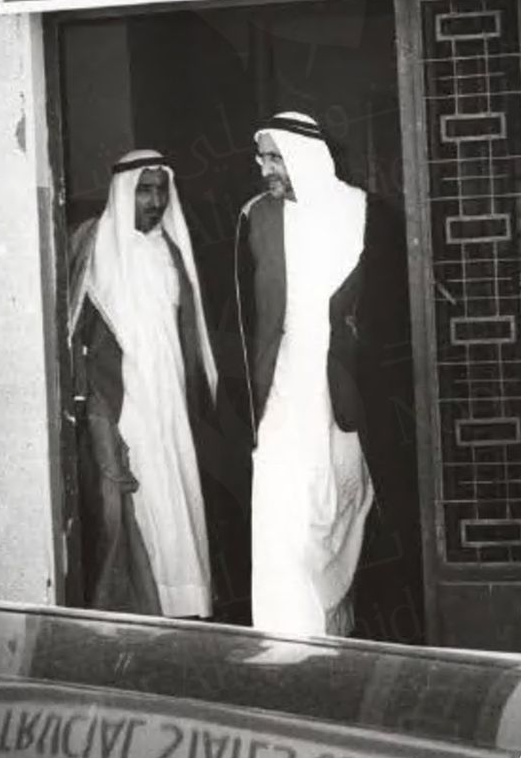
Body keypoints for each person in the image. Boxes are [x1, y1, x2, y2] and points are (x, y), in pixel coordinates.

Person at [235, 111, 376, 637]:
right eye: (262, 158)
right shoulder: (259, 218)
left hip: (343, 384)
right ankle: (284, 641)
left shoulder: (361, 210)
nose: (265, 168)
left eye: (275, 157)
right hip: (284, 381)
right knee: (280, 509)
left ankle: (330, 637)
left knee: (338, 511)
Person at [68, 149, 217, 618]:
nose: (154, 201)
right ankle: (132, 610)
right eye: (144, 190)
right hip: (119, 401)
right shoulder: (92, 246)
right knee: (130, 505)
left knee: (176, 494)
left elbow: (190, 334)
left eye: (161, 190)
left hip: (169, 399)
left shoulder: (170, 251)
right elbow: (71, 329)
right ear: (124, 191)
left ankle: (181, 603)